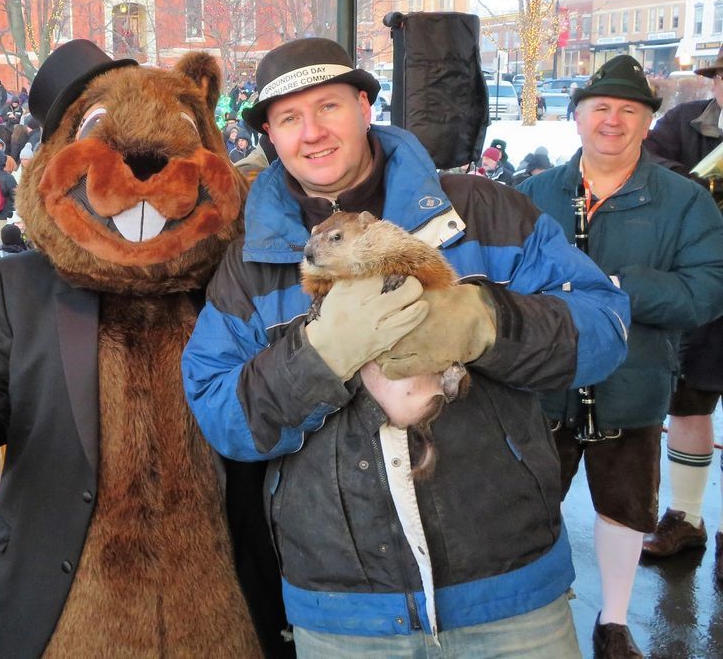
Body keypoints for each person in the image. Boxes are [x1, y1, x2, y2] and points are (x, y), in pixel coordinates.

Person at [182, 37, 630, 657]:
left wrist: (485, 321)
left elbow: (606, 327)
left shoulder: (484, 212)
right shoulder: (247, 268)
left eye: (329, 106)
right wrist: (316, 359)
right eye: (289, 118)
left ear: (365, 105)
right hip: (343, 613)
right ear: (270, 136)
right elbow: (219, 414)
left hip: (509, 593)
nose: (312, 132)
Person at [518, 55, 723, 657]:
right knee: (530, 507)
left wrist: (618, 285)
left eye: (628, 111)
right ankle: (541, 613)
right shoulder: (534, 193)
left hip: (633, 385)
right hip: (543, 386)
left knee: (626, 508)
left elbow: (707, 289)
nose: (613, 121)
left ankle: (614, 621)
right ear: (577, 118)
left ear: (645, 122)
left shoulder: (685, 202)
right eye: (600, 109)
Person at [639, 43, 723, 581]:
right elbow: (647, 158)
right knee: (690, 399)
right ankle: (685, 517)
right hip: (701, 278)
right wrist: (701, 182)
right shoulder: (683, 122)